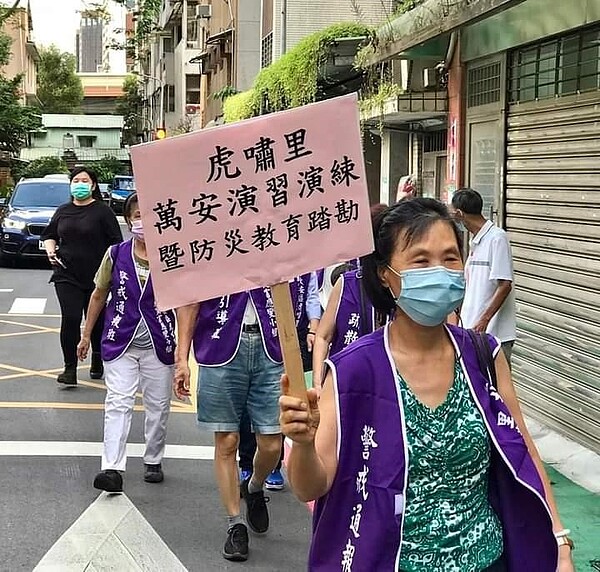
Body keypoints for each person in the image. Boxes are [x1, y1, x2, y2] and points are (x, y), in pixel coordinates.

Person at [281, 198, 574, 572]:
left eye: (451, 258)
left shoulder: (484, 355)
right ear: (386, 275)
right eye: (421, 260)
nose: (440, 272)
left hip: (488, 561)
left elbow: (525, 452)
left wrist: (559, 540)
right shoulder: (353, 369)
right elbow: (311, 487)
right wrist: (303, 444)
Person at [174, 278, 314, 562]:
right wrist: (181, 359)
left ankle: (254, 487)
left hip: (271, 349)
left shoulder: (272, 238)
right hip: (219, 348)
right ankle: (235, 524)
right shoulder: (207, 241)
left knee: (272, 444)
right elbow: (190, 301)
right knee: (226, 441)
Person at [77, 193, 176, 492]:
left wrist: (184, 353)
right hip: (120, 342)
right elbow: (98, 294)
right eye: (137, 216)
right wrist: (85, 334)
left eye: (149, 215)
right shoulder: (116, 254)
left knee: (158, 406)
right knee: (117, 402)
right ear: (129, 220)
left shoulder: (172, 256)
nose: (143, 221)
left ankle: (153, 458)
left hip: (159, 344)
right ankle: (112, 467)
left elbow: (187, 304)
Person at [238, 273, 321, 491]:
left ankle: (273, 465)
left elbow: (311, 294)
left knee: (284, 399)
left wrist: (313, 327)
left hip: (291, 332)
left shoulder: (305, 260)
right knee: (248, 404)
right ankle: (247, 461)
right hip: (252, 331)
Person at [42, 167, 122, 385]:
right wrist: (51, 250)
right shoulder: (63, 210)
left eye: (84, 180)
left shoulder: (102, 212)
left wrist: (114, 271)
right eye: (75, 180)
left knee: (95, 321)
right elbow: (49, 234)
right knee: (70, 318)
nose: (79, 184)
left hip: (98, 277)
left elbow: (117, 242)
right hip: (66, 273)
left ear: (93, 185)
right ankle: (70, 368)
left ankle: (97, 359)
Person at [313, 203, 389, 387]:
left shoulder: (403, 286)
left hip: (386, 384)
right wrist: (318, 383)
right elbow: (323, 337)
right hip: (346, 384)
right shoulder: (348, 283)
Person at [451, 188, 517, 364]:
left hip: (494, 334)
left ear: (459, 213)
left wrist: (484, 320)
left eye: (453, 215)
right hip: (473, 331)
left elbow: (505, 285)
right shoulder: (476, 242)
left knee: (496, 387)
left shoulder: (497, 238)